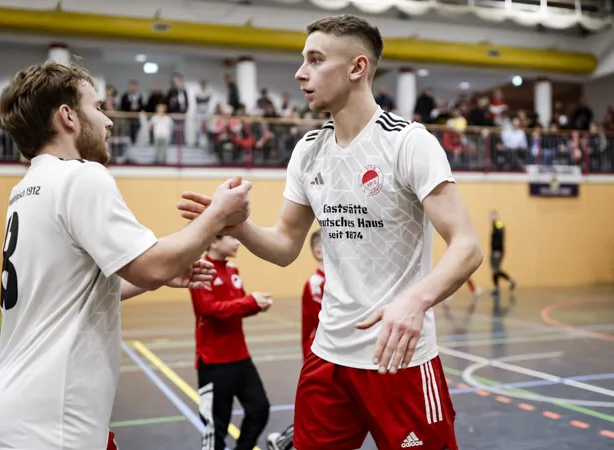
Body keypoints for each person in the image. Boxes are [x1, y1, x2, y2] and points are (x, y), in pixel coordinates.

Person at [177, 14, 483, 450]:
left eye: (316, 60)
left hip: (400, 358)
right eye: (303, 60)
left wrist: (415, 301)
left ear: (357, 67)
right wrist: (237, 225)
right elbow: (285, 245)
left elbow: (467, 246)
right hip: (328, 357)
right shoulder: (308, 151)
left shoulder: (408, 143)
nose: (300, 73)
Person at [0, 60, 252, 450]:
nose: (108, 121)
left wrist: (160, 275)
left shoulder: (27, 187)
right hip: (53, 418)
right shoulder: (79, 175)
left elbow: (72, 290)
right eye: (97, 107)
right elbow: (151, 264)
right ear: (67, 117)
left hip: (20, 407)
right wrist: (218, 215)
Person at [190, 235, 272, 450]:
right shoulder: (201, 270)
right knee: (216, 426)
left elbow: (237, 307)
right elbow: (208, 310)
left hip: (240, 357)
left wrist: (256, 305)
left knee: (259, 409)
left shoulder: (233, 270)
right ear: (214, 241)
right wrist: (249, 302)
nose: (238, 242)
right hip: (214, 361)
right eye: (233, 237)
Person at [267, 229, 325, 450]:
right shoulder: (316, 283)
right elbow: (320, 323)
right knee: (317, 411)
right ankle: (282, 442)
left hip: (336, 353)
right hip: (321, 355)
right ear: (319, 252)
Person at [489, 210, 516, 295]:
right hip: (494, 251)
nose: (491, 218)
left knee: (496, 270)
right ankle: (498, 287)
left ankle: (509, 280)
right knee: (495, 270)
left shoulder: (499, 224)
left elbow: (499, 239)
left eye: (493, 216)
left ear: (496, 216)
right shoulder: (493, 226)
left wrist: (497, 251)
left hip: (497, 251)